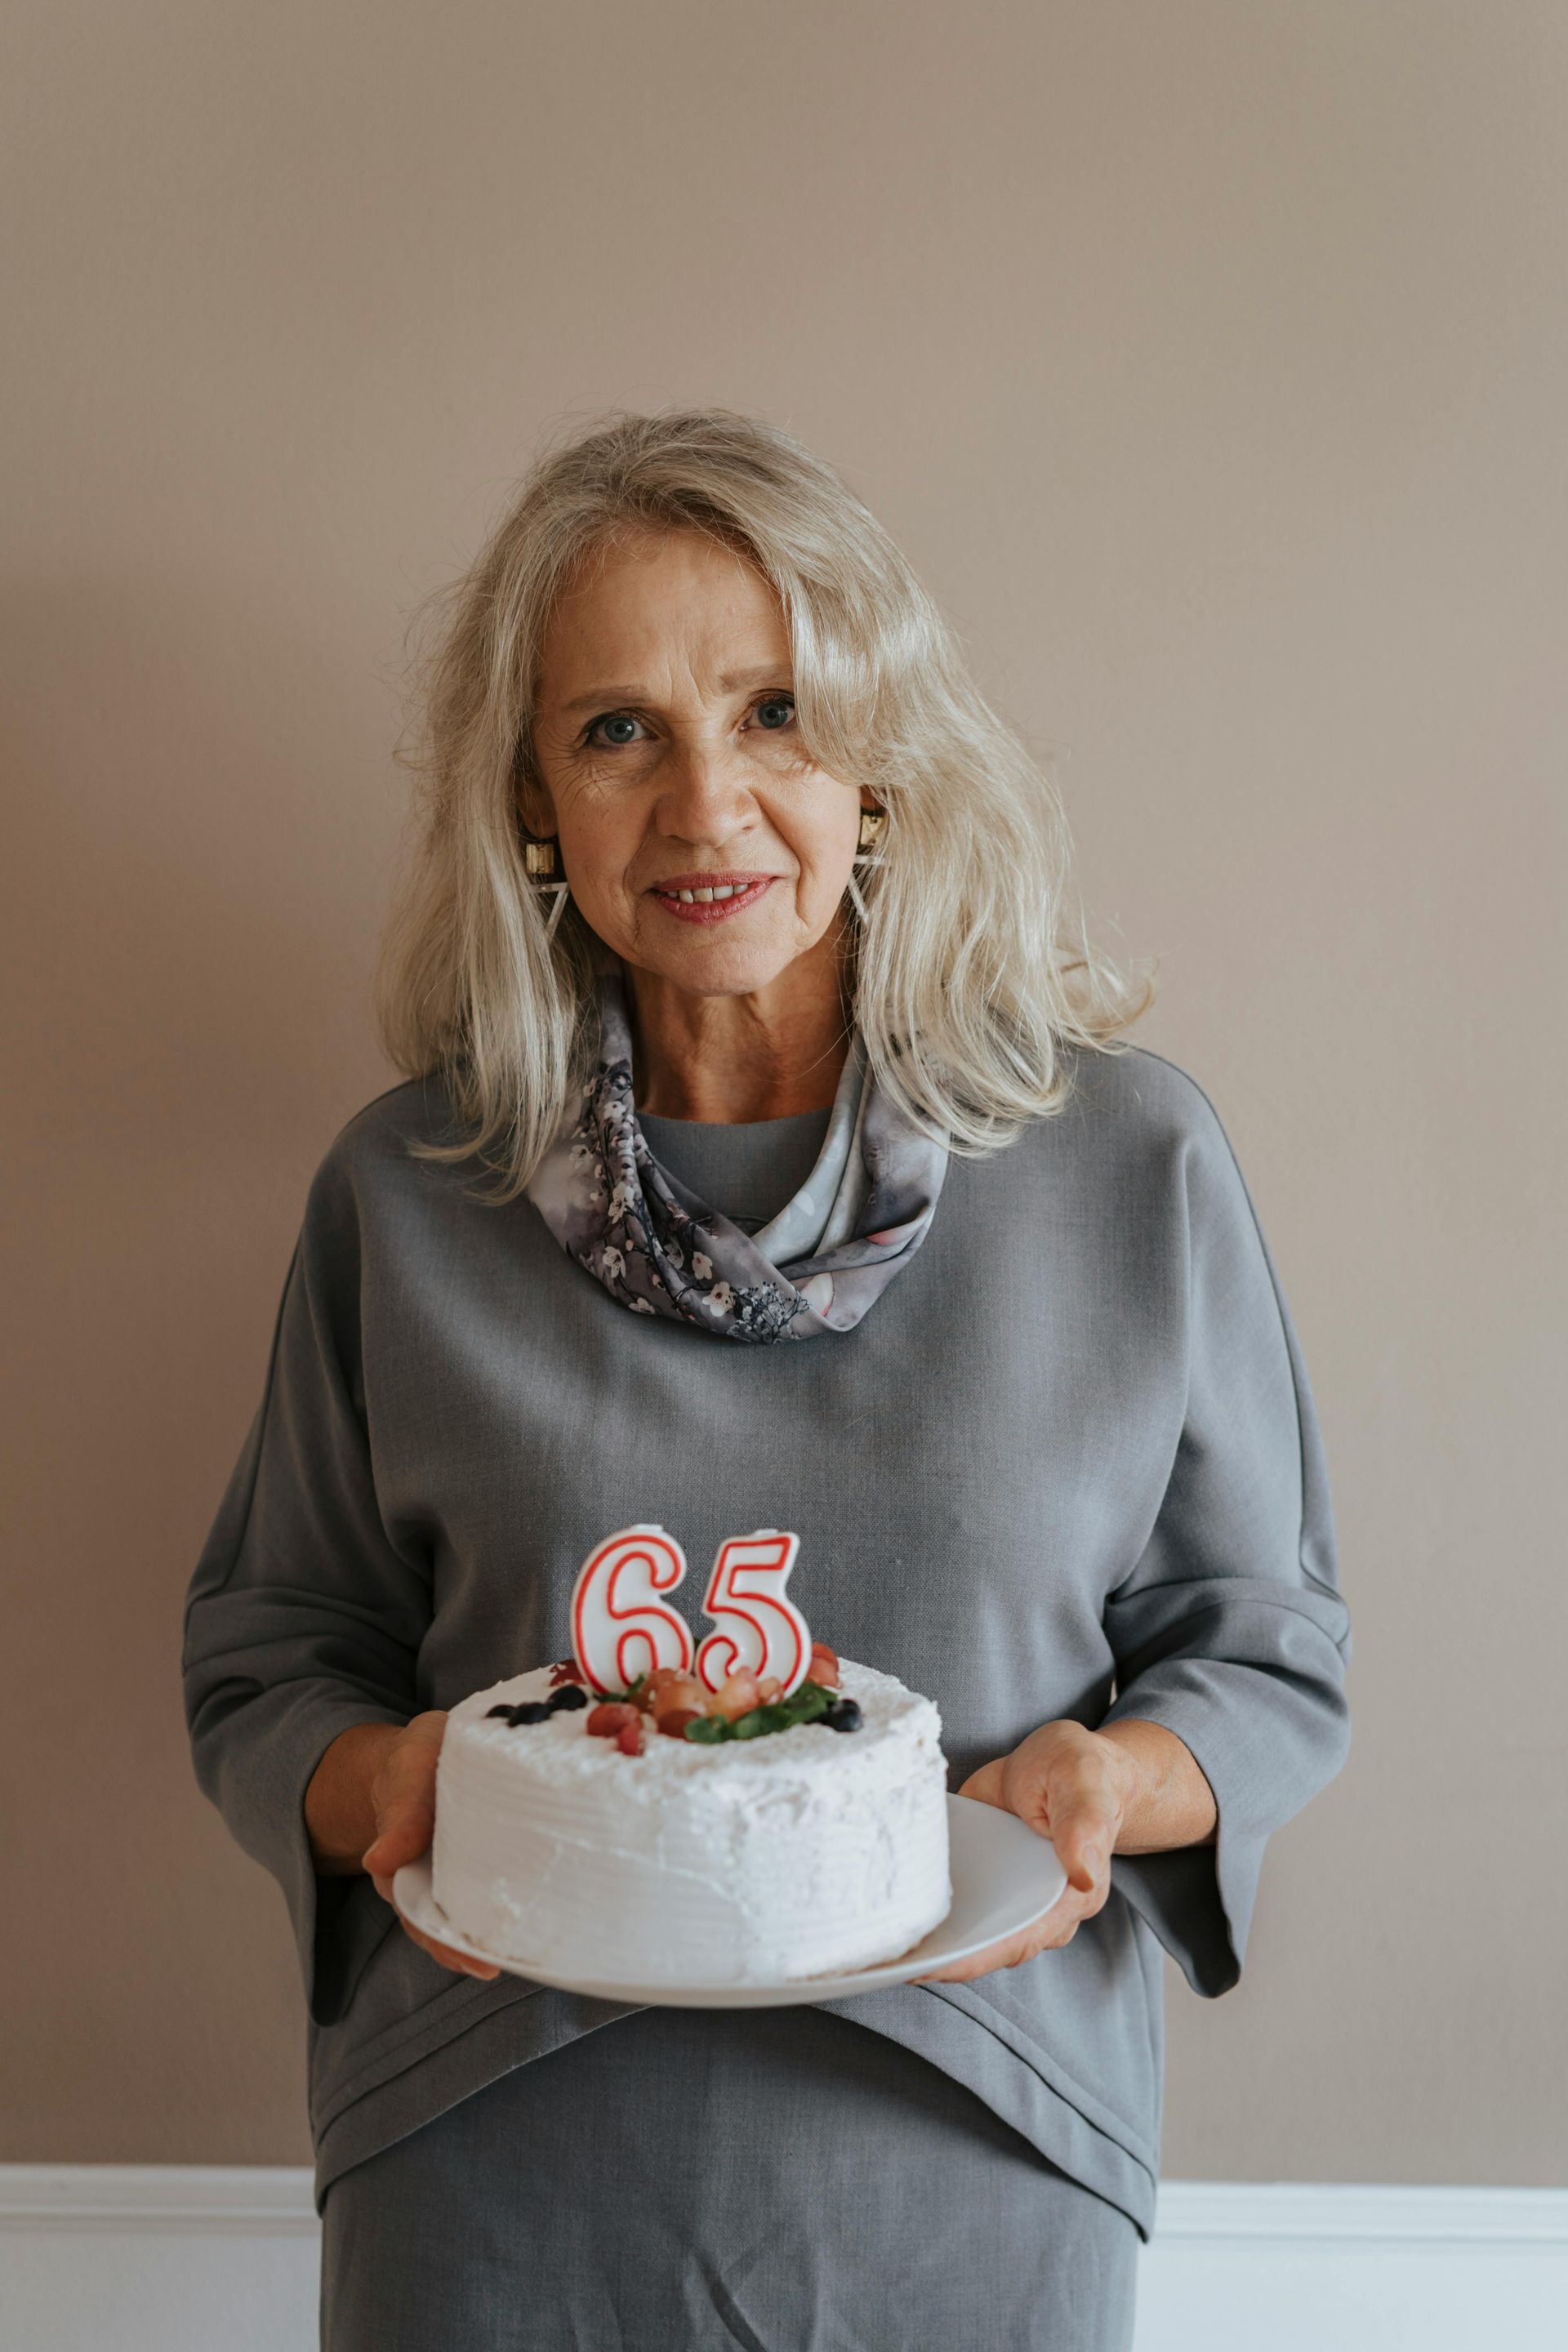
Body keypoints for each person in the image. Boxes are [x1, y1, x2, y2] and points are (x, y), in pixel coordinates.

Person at [182, 408, 1351, 2352]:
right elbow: (270, 1646)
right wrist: (380, 1780)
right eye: (617, 729)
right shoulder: (404, 1194)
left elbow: (1269, 1644)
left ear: (879, 762)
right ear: (534, 804)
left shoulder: (1129, 1170)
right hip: (488, 2147)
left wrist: (1108, 1783)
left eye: (779, 712)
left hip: (979, 2126)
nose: (705, 802)